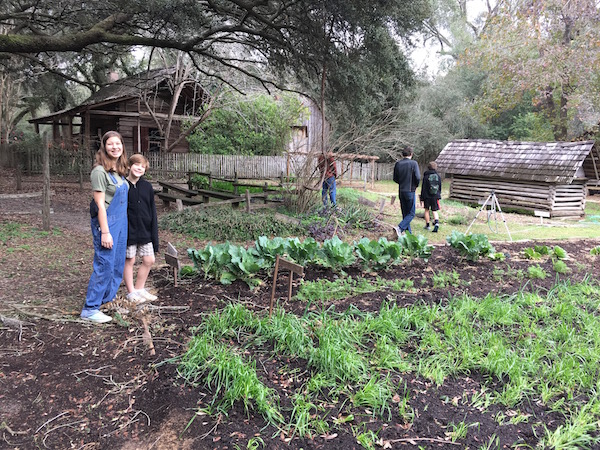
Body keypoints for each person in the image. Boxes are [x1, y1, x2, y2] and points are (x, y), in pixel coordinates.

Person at [81, 131, 129, 323]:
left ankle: (106, 301)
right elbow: (100, 205)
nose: (115, 147)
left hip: (121, 222)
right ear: (104, 147)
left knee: (117, 264)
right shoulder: (99, 171)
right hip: (107, 222)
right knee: (105, 264)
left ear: (122, 146)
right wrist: (106, 232)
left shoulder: (118, 170)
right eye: (110, 144)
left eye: (118, 143)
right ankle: (90, 308)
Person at [123, 154, 159, 303]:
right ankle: (131, 292)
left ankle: (139, 289)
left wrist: (153, 231)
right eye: (137, 165)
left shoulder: (147, 186)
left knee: (149, 260)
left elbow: (152, 209)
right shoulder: (123, 185)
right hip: (129, 230)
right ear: (130, 166)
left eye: (143, 166)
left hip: (145, 230)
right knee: (130, 260)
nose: (139, 168)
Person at [392, 147, 420, 237]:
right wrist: (415, 185)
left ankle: (409, 235)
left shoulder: (398, 164)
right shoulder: (414, 163)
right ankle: (399, 228)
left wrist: (401, 183)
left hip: (401, 190)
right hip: (410, 190)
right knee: (411, 213)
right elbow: (418, 177)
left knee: (405, 213)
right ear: (411, 154)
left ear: (402, 154)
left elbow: (395, 178)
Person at [420, 161, 442, 232]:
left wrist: (422, 198)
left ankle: (427, 225)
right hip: (435, 196)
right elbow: (440, 187)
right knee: (434, 210)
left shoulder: (426, 176)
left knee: (427, 210)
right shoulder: (438, 176)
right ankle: (436, 223)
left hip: (427, 196)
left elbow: (423, 188)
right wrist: (438, 195)